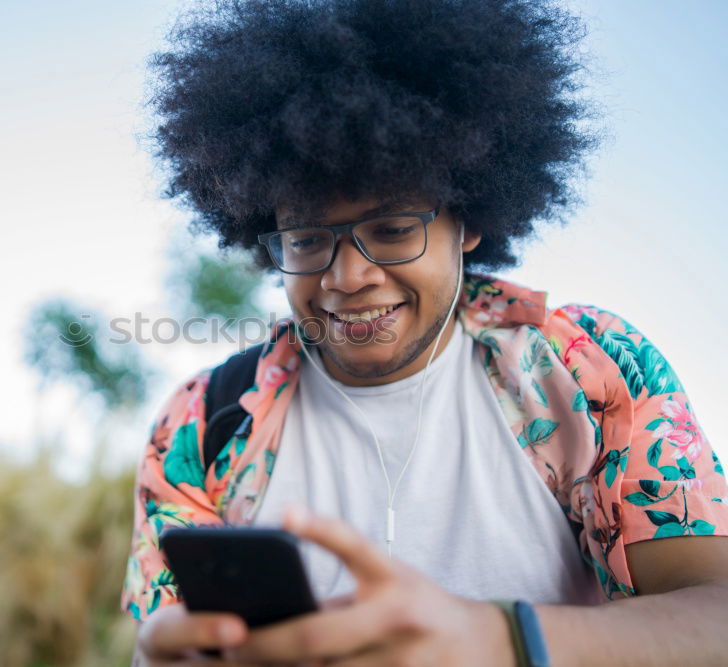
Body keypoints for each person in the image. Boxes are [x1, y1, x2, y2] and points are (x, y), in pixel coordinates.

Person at [121, 0, 728, 664]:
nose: (348, 276)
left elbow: (714, 615)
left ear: (466, 221)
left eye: (393, 229)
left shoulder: (590, 371)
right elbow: (166, 640)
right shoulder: (201, 423)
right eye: (307, 239)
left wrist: (501, 640)